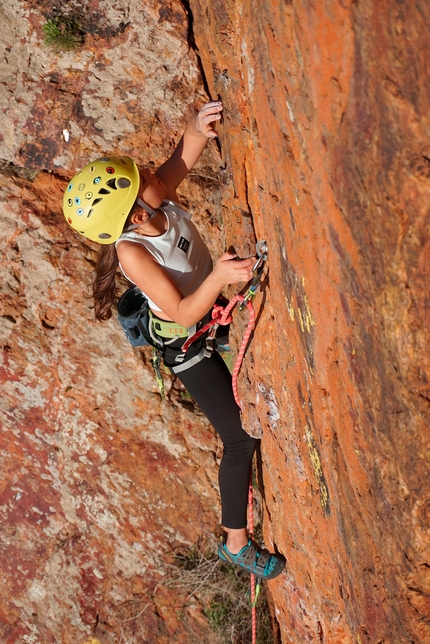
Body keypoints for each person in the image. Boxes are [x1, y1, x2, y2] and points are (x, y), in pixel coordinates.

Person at [63, 101, 285, 580]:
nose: (150, 174)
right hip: (187, 345)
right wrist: (221, 277)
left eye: (140, 172)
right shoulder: (133, 251)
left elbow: (181, 158)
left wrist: (195, 129)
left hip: (208, 317)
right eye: (142, 179)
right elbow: (185, 312)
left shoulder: (153, 198)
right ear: (136, 216)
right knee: (239, 438)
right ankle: (235, 544)